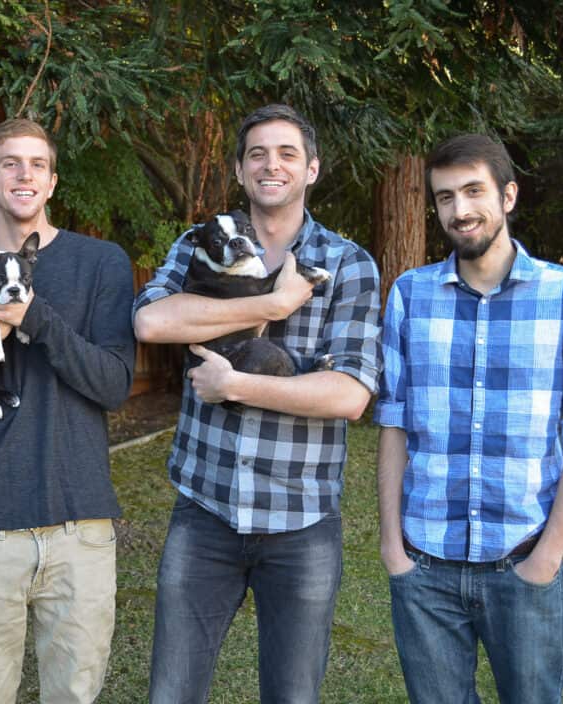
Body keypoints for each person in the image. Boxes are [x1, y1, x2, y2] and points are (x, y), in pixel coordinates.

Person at [134, 103, 381, 703]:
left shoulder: (349, 264)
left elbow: (350, 394)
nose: (272, 165)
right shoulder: (200, 243)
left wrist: (238, 387)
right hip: (204, 510)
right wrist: (269, 307)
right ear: (242, 171)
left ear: (312, 169)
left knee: (293, 697)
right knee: (173, 693)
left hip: (301, 521)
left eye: (287, 153)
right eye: (258, 154)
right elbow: (150, 321)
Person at [375, 133, 563, 703]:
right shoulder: (409, 294)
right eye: (444, 197)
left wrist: (548, 556)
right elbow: (394, 423)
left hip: (523, 561)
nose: (459, 210)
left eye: (473, 191)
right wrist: (392, 549)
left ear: (508, 195)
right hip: (425, 567)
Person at [0, 118, 136, 703]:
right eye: (10, 163)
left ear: (53, 181)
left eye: (37, 164)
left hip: (79, 527)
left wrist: (29, 318)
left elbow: (114, 385)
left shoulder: (101, 264)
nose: (24, 174)